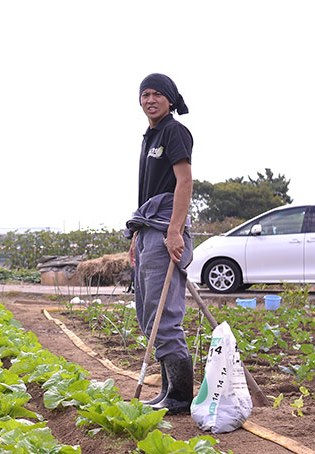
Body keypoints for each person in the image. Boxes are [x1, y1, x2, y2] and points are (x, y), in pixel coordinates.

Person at [125, 73, 194, 415]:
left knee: (164, 313)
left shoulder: (173, 131)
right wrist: (138, 237)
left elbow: (184, 182)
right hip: (148, 229)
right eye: (145, 94)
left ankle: (180, 395)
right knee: (148, 313)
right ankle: (167, 390)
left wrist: (174, 231)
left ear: (170, 99)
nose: (150, 99)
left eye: (157, 94)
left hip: (165, 227)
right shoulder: (149, 136)